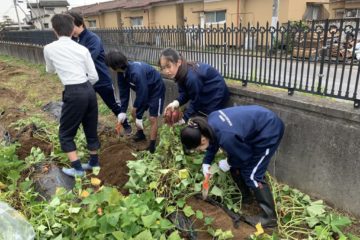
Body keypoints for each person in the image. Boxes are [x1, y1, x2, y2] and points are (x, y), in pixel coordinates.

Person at [180, 105, 285, 228]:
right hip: (255, 128)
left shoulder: (227, 137)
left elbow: (245, 156)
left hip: (269, 130)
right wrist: (206, 162)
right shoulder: (209, 123)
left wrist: (228, 162)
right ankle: (247, 198)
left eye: (198, 149)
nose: (200, 151)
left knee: (253, 175)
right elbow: (214, 140)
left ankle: (270, 217)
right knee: (236, 167)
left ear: (202, 140)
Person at [43, 14, 100, 177]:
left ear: (54, 30)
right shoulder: (82, 49)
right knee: (90, 128)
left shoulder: (49, 48)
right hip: (89, 90)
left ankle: (78, 169)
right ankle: (94, 163)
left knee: (66, 133)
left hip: (73, 92)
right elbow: (94, 76)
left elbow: (50, 70)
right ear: (72, 29)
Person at [67, 11, 132, 135]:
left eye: (71, 26)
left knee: (113, 104)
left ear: (80, 24)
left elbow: (90, 58)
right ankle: (90, 131)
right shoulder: (73, 40)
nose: (70, 30)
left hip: (101, 79)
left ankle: (126, 125)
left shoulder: (92, 38)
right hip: (85, 81)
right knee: (86, 106)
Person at [105, 50, 165, 153]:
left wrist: (140, 116)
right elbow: (124, 92)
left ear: (115, 65)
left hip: (156, 90)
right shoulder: (121, 73)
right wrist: (123, 111)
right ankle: (140, 134)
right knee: (134, 112)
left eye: (109, 65)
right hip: (144, 90)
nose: (109, 68)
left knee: (152, 118)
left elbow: (143, 93)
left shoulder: (135, 72)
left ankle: (152, 145)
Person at [159, 48, 229, 122]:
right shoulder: (181, 71)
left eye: (169, 66)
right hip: (204, 93)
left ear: (178, 62)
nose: (166, 71)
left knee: (209, 122)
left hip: (216, 94)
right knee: (199, 118)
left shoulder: (192, 77)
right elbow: (185, 93)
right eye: (163, 68)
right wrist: (175, 103)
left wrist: (184, 119)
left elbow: (196, 101)